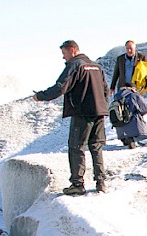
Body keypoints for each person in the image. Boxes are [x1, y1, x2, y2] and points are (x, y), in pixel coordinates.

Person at [33, 40, 109, 195]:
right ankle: (101, 182)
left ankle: (77, 184)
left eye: (64, 53)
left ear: (73, 50)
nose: (64, 58)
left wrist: (40, 96)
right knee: (96, 147)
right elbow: (106, 90)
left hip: (82, 113)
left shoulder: (75, 65)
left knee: (77, 147)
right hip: (99, 112)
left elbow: (61, 87)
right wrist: (102, 106)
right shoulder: (96, 66)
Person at [113, 84, 147, 148]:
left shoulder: (116, 97)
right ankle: (134, 140)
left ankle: (126, 139)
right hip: (135, 126)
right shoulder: (134, 95)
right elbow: (145, 108)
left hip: (120, 127)